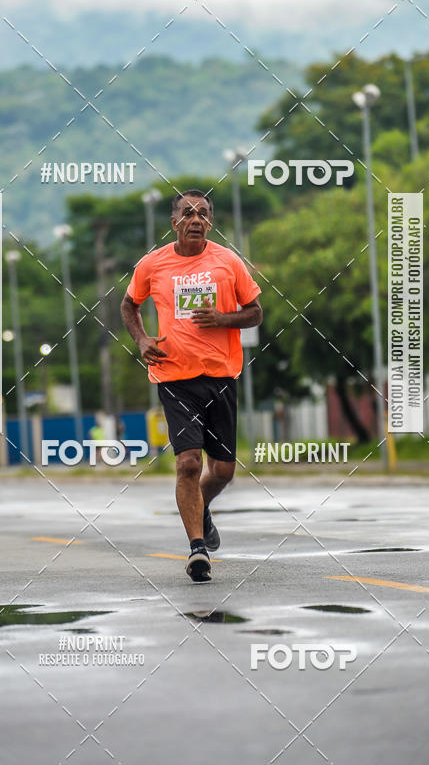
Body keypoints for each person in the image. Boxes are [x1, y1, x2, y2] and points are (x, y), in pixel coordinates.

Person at [121, 190, 263, 582]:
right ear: (174, 222)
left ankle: (200, 507)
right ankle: (197, 550)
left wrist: (222, 319)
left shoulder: (227, 261)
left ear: (211, 222)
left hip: (220, 376)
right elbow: (128, 304)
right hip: (174, 377)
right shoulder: (153, 264)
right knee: (188, 464)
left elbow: (255, 312)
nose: (196, 219)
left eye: (203, 213)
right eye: (188, 213)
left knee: (223, 471)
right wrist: (141, 340)